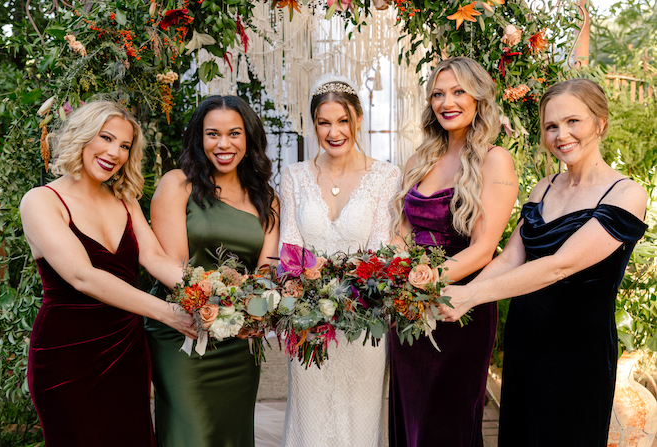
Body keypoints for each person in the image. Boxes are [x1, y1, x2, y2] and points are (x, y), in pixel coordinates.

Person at [440, 78, 648, 445]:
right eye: (551, 126)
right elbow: (509, 259)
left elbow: (560, 265)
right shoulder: (544, 187)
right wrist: (458, 294)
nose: (561, 135)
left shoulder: (626, 193)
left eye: (573, 122)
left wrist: (471, 297)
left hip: (580, 351)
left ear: (600, 122)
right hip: (526, 341)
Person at [20, 101, 196, 447]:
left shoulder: (125, 200)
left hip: (126, 351)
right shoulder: (41, 201)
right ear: (82, 136)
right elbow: (82, 276)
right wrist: (168, 313)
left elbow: (156, 257)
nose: (115, 152)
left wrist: (211, 295)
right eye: (106, 138)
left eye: (125, 145)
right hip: (66, 355)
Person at [388, 56, 518, 447]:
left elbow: (483, 249)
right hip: (408, 310)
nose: (448, 102)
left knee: (449, 422)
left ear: (479, 97)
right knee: (411, 416)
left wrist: (426, 285)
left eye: (459, 91)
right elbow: (401, 233)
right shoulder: (418, 160)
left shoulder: (495, 160)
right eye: (439, 94)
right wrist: (400, 282)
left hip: (460, 309)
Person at [144, 95, 279, 447]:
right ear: (199, 139)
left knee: (231, 433)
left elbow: (267, 266)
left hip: (240, 337)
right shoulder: (178, 184)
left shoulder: (265, 197)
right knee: (193, 432)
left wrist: (252, 309)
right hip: (184, 330)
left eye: (234, 133)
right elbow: (174, 265)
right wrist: (218, 302)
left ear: (248, 138)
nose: (223, 144)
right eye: (212, 134)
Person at [278, 74, 401, 447]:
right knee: (309, 417)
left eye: (343, 121)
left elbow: (380, 252)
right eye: (324, 122)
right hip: (308, 321)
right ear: (313, 124)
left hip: (362, 320)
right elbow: (289, 248)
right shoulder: (294, 176)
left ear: (358, 120)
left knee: (361, 419)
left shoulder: (385, 176)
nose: (334, 131)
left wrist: (347, 295)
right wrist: (305, 298)